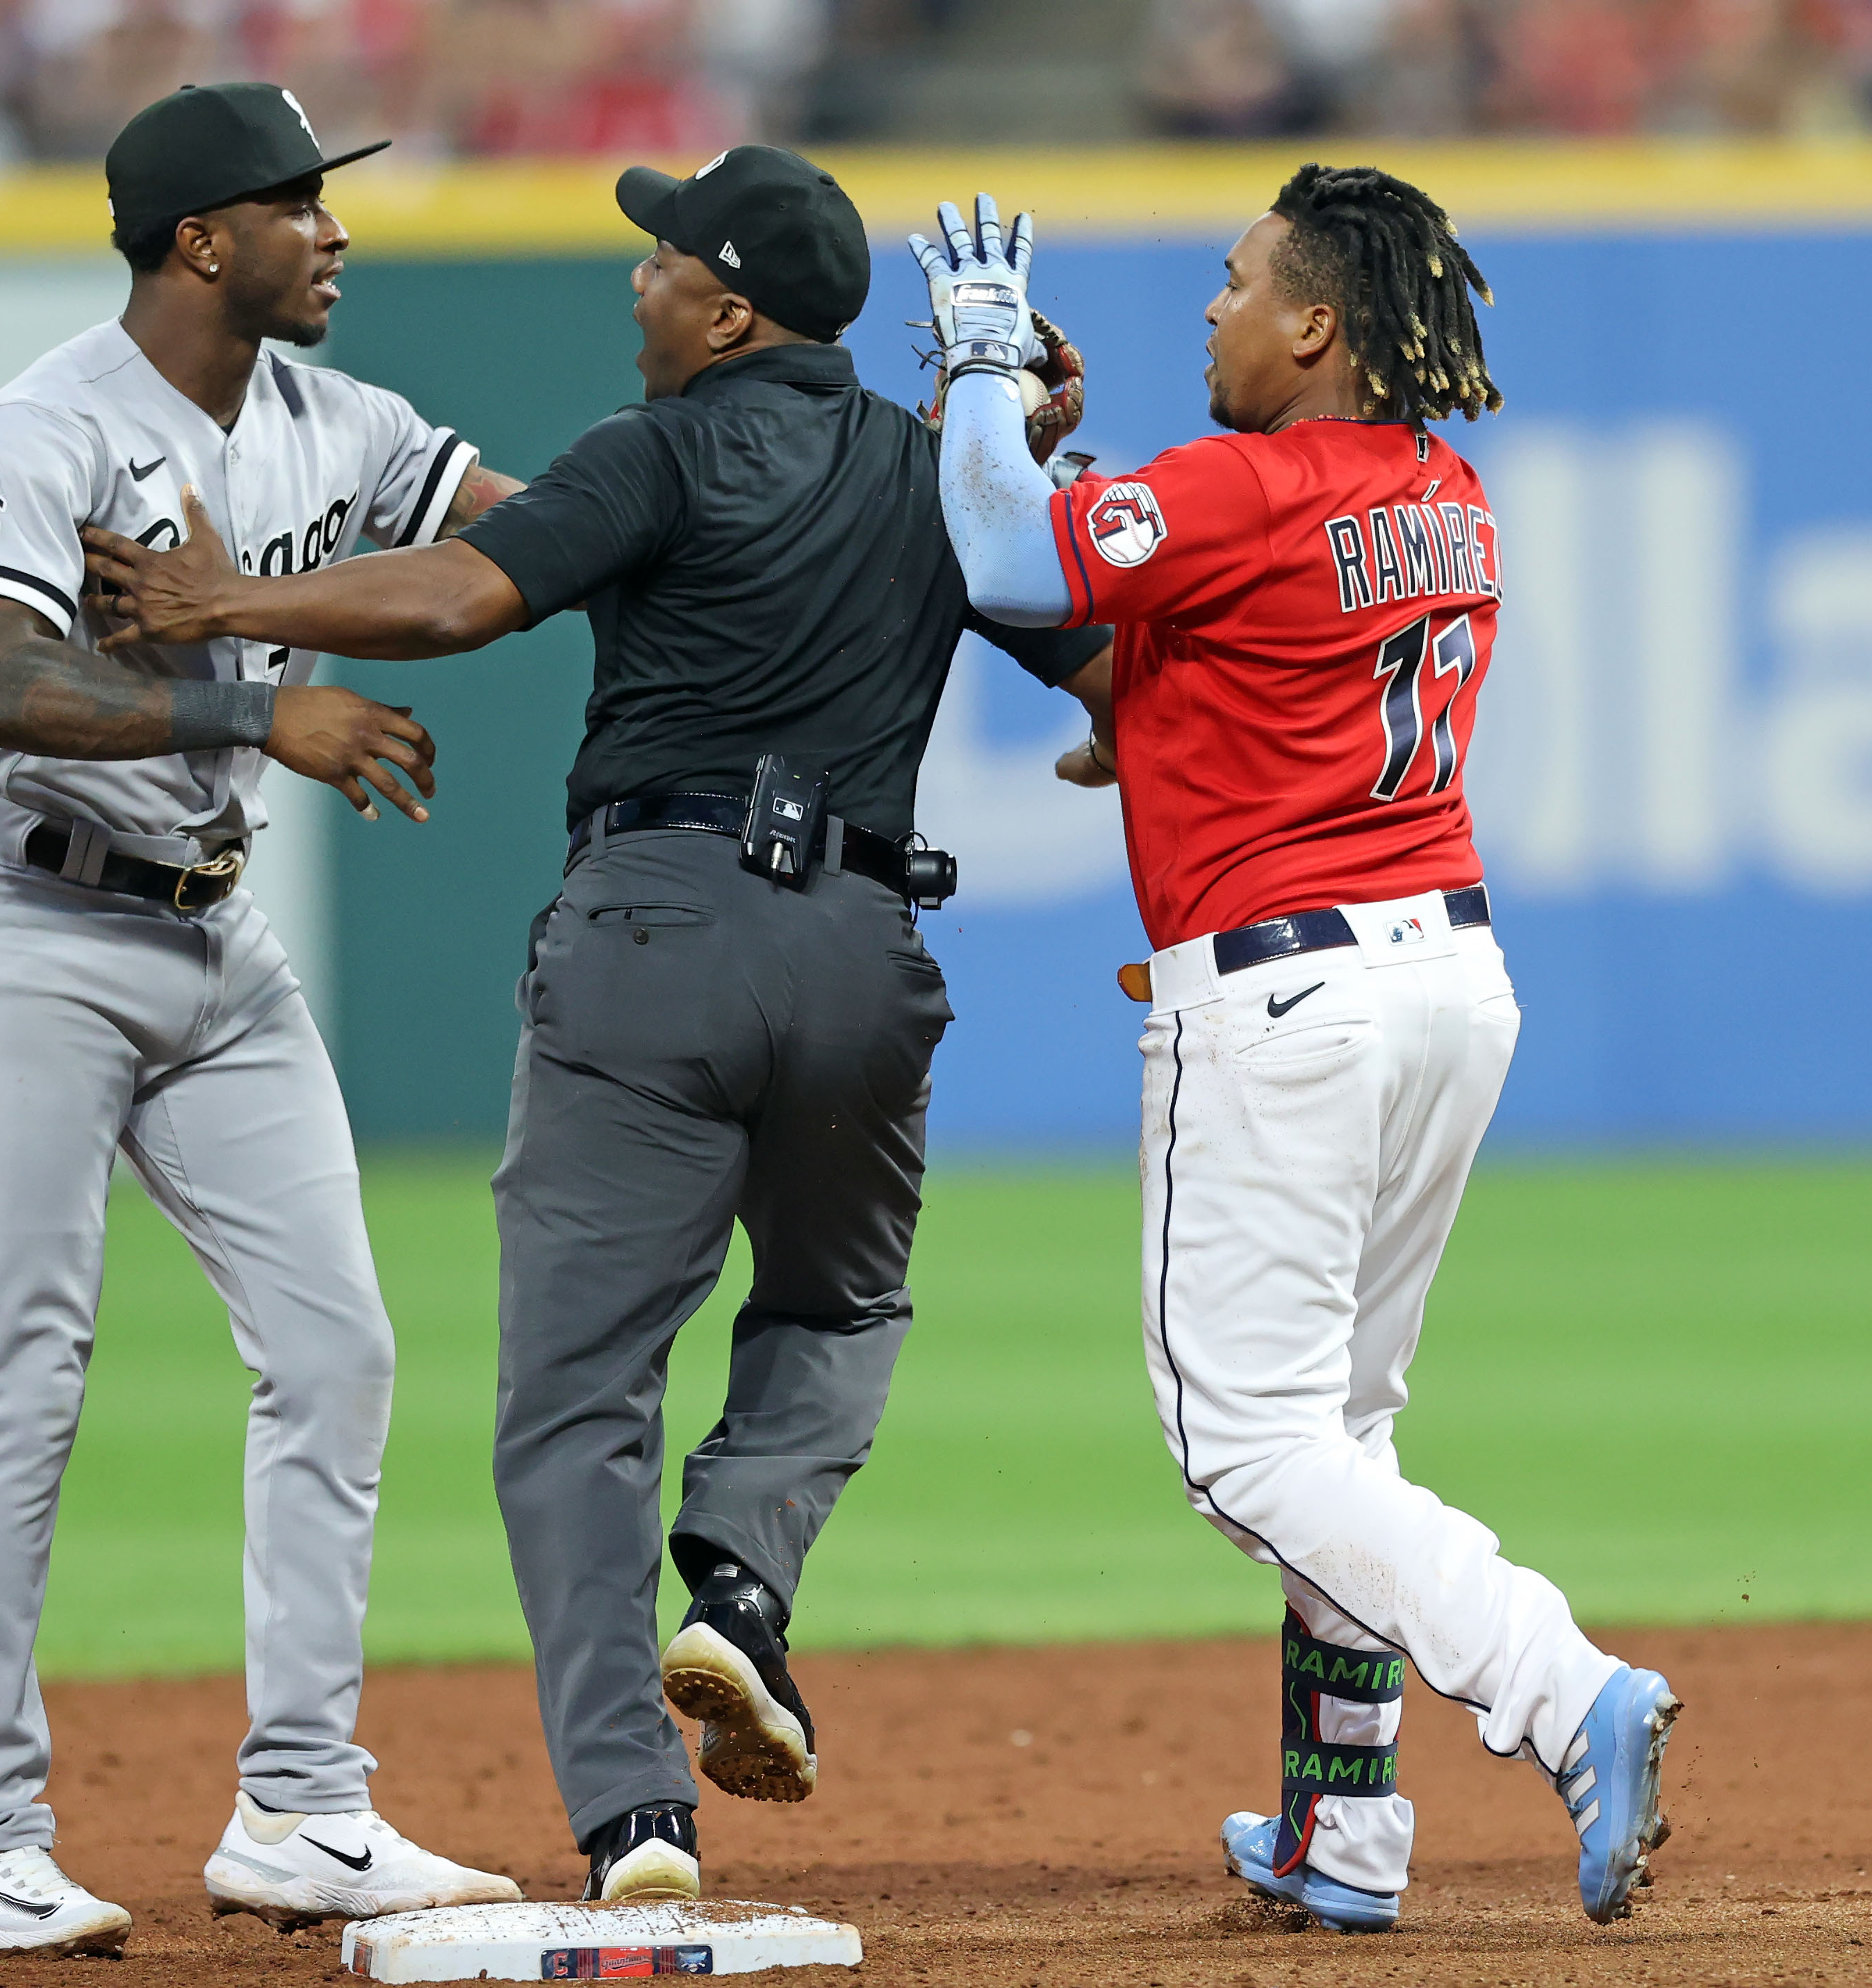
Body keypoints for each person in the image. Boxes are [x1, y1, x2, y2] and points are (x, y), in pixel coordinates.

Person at [81, 143, 1112, 1907]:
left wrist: (217, 611)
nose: (632, 280)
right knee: (841, 1298)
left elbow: (463, 597)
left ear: (724, 311)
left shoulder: (652, 448)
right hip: (864, 946)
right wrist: (1024, 462)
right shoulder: (938, 473)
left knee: (576, 1401)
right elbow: (1096, 661)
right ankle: (742, 1593)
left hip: (652, 930)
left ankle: (635, 1816)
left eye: (658, 260)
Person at [913, 169, 1681, 1932]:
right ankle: (1343, 1834)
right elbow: (1183, 658)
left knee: (1245, 1449)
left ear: (1315, 325)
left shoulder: (1240, 487)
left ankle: (1568, 1693)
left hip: (1282, 997)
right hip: (1442, 979)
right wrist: (1137, 707)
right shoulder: (1443, 489)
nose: (1211, 308)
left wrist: (971, 374)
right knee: (1338, 1428)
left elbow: (1010, 559)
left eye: (1240, 280)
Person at [0, 81, 527, 1959]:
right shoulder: (53, 419)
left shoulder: (347, 418)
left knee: (335, 1351)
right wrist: (257, 710)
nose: (333, 231)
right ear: (199, 238)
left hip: (213, 942)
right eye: (299, 205)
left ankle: (302, 1804)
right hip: (27, 917)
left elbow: (536, 535)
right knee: (23, 1377)